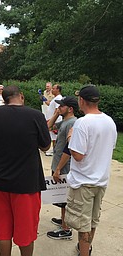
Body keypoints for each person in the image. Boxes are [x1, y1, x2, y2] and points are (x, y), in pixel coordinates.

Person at [0, 85, 51, 256]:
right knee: (26, 233)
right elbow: (46, 146)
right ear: (21, 96)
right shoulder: (36, 116)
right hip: (27, 185)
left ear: (4, 99)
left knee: (2, 231)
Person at [65, 85, 117, 256]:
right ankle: (85, 249)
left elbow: (78, 155)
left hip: (84, 182)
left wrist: (70, 137)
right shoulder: (110, 121)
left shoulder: (82, 123)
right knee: (92, 221)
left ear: (81, 100)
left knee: (82, 225)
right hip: (101, 180)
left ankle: (84, 252)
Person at [45, 96, 78, 240]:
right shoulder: (64, 121)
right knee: (60, 195)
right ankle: (63, 220)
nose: (59, 107)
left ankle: (66, 229)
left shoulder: (73, 123)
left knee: (64, 197)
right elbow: (48, 127)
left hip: (64, 166)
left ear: (70, 109)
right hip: (58, 163)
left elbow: (69, 149)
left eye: (61, 106)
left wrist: (58, 169)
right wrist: (56, 114)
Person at [45, 84, 63, 156]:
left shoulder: (59, 98)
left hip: (55, 120)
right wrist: (44, 99)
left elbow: (57, 110)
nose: (52, 90)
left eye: (54, 88)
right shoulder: (55, 98)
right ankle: (54, 150)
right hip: (51, 119)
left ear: (58, 90)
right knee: (52, 136)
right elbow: (50, 104)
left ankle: (55, 150)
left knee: (54, 136)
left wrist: (53, 119)